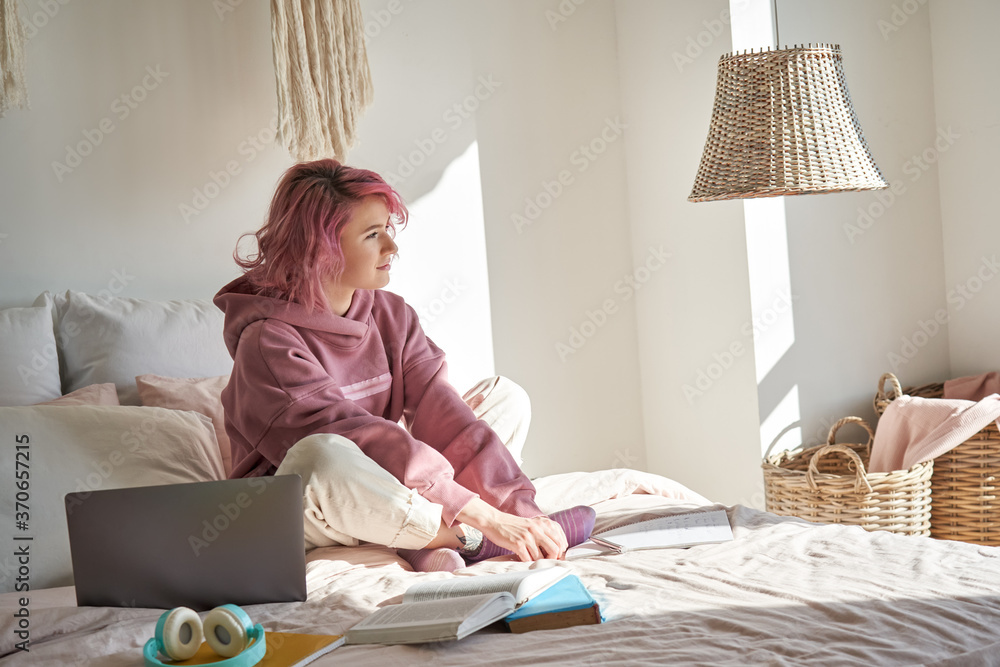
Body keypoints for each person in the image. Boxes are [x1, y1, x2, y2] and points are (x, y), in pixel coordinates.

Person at [214, 159, 594, 572]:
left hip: (386, 482)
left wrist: (523, 512)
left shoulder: (392, 314)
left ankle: (420, 537)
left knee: (504, 397)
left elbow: (442, 410)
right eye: (373, 235)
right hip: (306, 509)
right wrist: (485, 517)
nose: (391, 248)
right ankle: (466, 539)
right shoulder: (267, 342)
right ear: (321, 249)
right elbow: (355, 437)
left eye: (388, 231)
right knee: (321, 455)